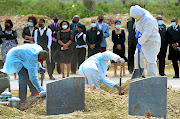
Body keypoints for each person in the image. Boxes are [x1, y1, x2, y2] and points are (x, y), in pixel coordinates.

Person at [130, 5, 161, 77]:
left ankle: (152, 77)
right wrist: (137, 32)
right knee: (137, 56)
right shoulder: (138, 15)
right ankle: (140, 75)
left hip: (152, 41)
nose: (136, 19)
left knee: (151, 59)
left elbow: (147, 33)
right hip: (142, 39)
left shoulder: (149, 19)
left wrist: (140, 42)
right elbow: (138, 25)